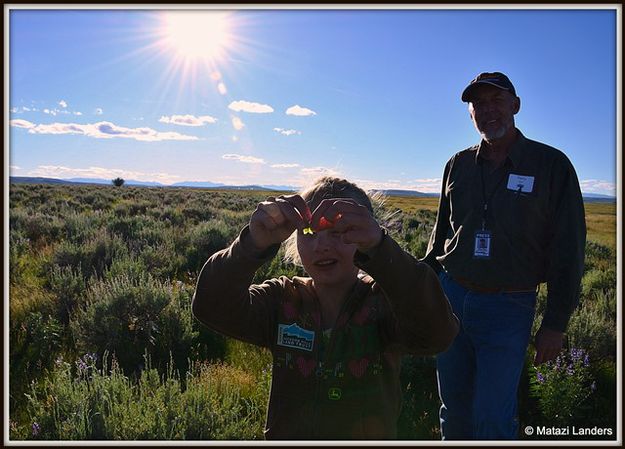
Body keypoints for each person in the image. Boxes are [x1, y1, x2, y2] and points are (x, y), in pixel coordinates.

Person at [192, 176, 459, 440]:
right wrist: (250, 244)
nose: (322, 245)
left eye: (340, 231)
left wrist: (383, 250)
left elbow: (436, 334)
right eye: (309, 232)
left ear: (365, 236)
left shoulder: (383, 302)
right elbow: (211, 305)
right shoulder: (282, 300)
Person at [422, 71, 587, 440]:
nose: (487, 110)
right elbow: (439, 240)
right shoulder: (457, 165)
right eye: (478, 103)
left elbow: (569, 249)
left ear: (516, 105)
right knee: (454, 410)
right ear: (470, 113)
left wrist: (555, 323)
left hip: (509, 306)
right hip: (452, 298)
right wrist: (415, 289)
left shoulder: (551, 165)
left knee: (493, 416)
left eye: (496, 100)